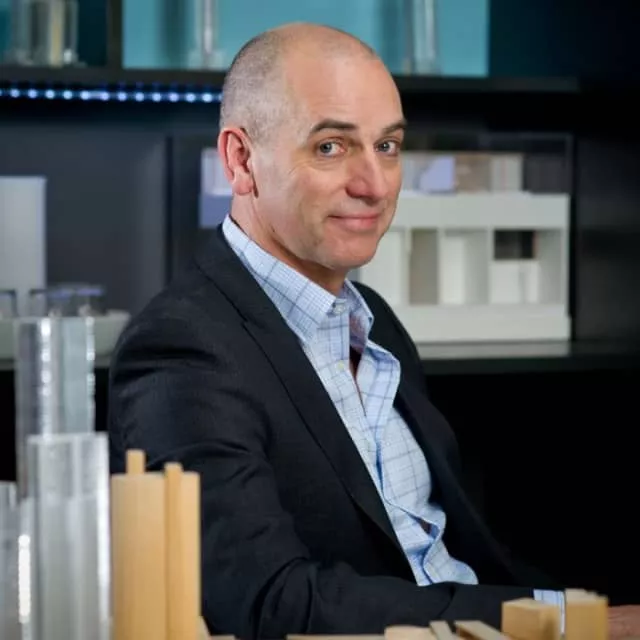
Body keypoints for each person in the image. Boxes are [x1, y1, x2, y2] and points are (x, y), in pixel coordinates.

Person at [107, 22, 640, 640]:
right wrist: (573, 625)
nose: (375, 185)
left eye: (386, 146)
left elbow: (445, 557)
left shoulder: (375, 319)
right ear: (241, 160)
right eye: (331, 147)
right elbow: (269, 604)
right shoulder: (181, 350)